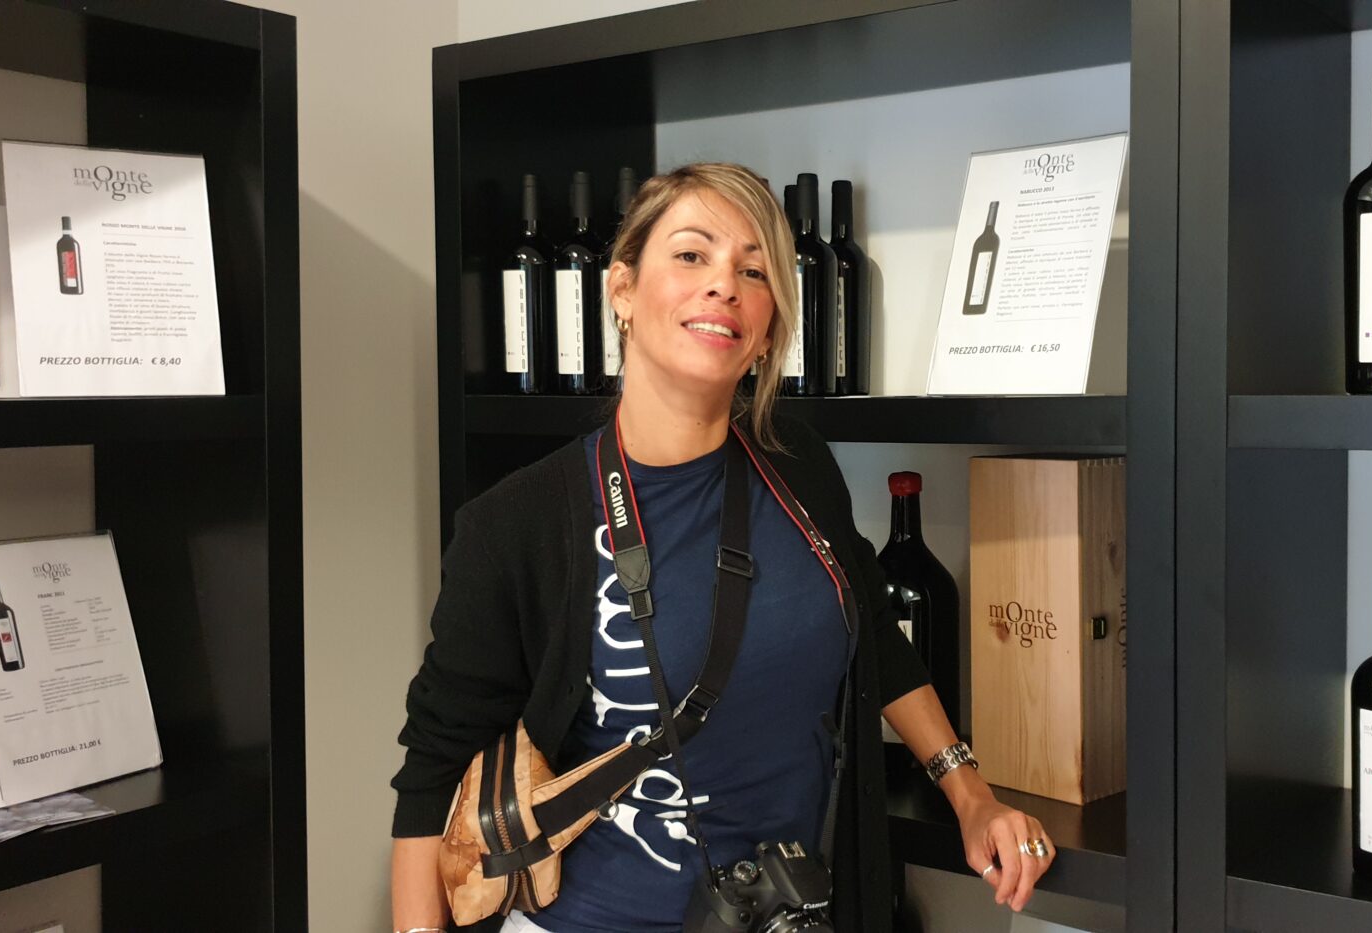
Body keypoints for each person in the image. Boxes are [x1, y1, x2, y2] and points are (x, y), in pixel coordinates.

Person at [389, 162, 1054, 933]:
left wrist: (969, 793)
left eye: (753, 270)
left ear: (768, 327)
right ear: (622, 288)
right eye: (691, 254)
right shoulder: (517, 523)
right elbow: (435, 770)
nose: (723, 285)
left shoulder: (799, 465)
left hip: (787, 913)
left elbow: (873, 630)